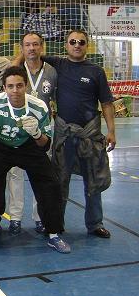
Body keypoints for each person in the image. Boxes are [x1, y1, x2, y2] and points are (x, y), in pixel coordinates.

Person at [0, 66, 70, 254]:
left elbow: (45, 145)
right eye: (10, 86)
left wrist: (36, 133)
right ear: (3, 88)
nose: (15, 91)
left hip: (29, 147)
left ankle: (54, 234)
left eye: (19, 86)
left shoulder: (39, 106)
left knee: (50, 185)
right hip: (0, 147)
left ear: (26, 86)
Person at [42, 30, 115, 238]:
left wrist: (111, 131)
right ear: (66, 45)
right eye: (73, 42)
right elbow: (31, 53)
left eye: (81, 42)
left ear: (87, 46)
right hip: (64, 136)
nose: (77, 45)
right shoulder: (58, 64)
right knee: (60, 181)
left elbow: (107, 103)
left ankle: (95, 224)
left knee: (93, 181)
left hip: (89, 136)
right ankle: (57, 224)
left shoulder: (96, 71)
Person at [7, 32, 58, 235]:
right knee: (14, 176)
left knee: (41, 176)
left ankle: (40, 218)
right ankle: (15, 218)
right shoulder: (17, 70)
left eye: (35, 44)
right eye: (27, 45)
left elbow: (57, 98)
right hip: (17, 128)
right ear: (22, 48)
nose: (31, 48)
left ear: (42, 47)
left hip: (42, 130)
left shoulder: (52, 72)